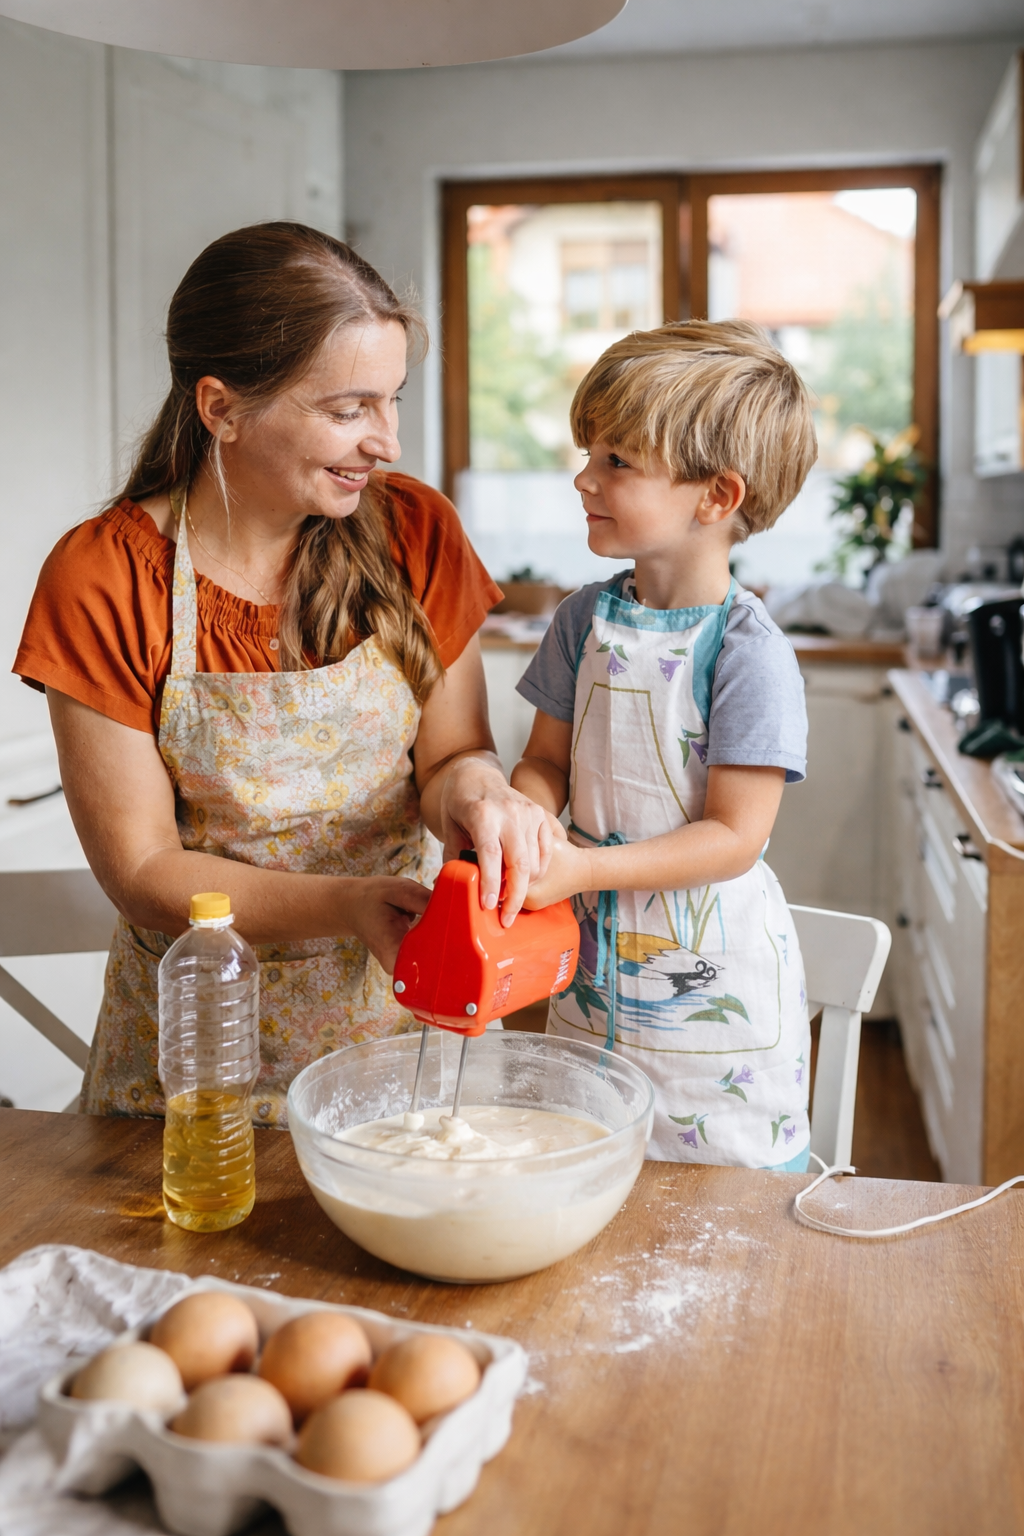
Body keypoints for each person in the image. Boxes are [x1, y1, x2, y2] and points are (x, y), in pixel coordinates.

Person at [14, 222, 555, 1123]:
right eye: (347, 410)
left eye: (393, 401)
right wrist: (349, 905)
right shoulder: (107, 575)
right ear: (221, 407)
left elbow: (453, 751)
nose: (384, 441)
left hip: (407, 1040)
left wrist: (481, 794)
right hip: (187, 1079)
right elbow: (143, 869)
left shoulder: (415, 529)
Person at [512, 321, 816, 1168]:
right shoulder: (582, 621)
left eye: (617, 462)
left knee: (718, 1212)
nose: (584, 477)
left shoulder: (750, 653)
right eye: (590, 453)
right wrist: (527, 824)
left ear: (715, 497)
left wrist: (582, 869)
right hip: (589, 963)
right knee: (593, 1167)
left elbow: (733, 838)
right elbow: (542, 763)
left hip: (711, 984)